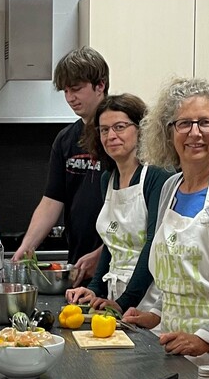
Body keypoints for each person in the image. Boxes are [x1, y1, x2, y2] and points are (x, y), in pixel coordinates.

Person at [122, 77, 209, 364]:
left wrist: (207, 337)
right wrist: (153, 312)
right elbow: (172, 271)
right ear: (168, 133)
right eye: (184, 123)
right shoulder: (170, 188)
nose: (195, 133)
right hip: (170, 346)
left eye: (205, 122)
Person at [12, 47, 111, 285]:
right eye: (65, 91)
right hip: (79, 265)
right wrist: (27, 246)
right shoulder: (66, 140)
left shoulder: (123, 137)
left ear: (100, 85)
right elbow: (51, 201)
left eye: (76, 89)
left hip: (117, 267)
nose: (70, 98)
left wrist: (105, 253)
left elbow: (136, 217)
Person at [64, 93, 171, 312]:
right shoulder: (108, 179)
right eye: (104, 130)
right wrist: (94, 290)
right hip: (116, 296)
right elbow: (111, 245)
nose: (111, 135)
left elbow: (153, 245)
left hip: (149, 300)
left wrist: (124, 303)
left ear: (140, 129)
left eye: (120, 127)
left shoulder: (156, 176)